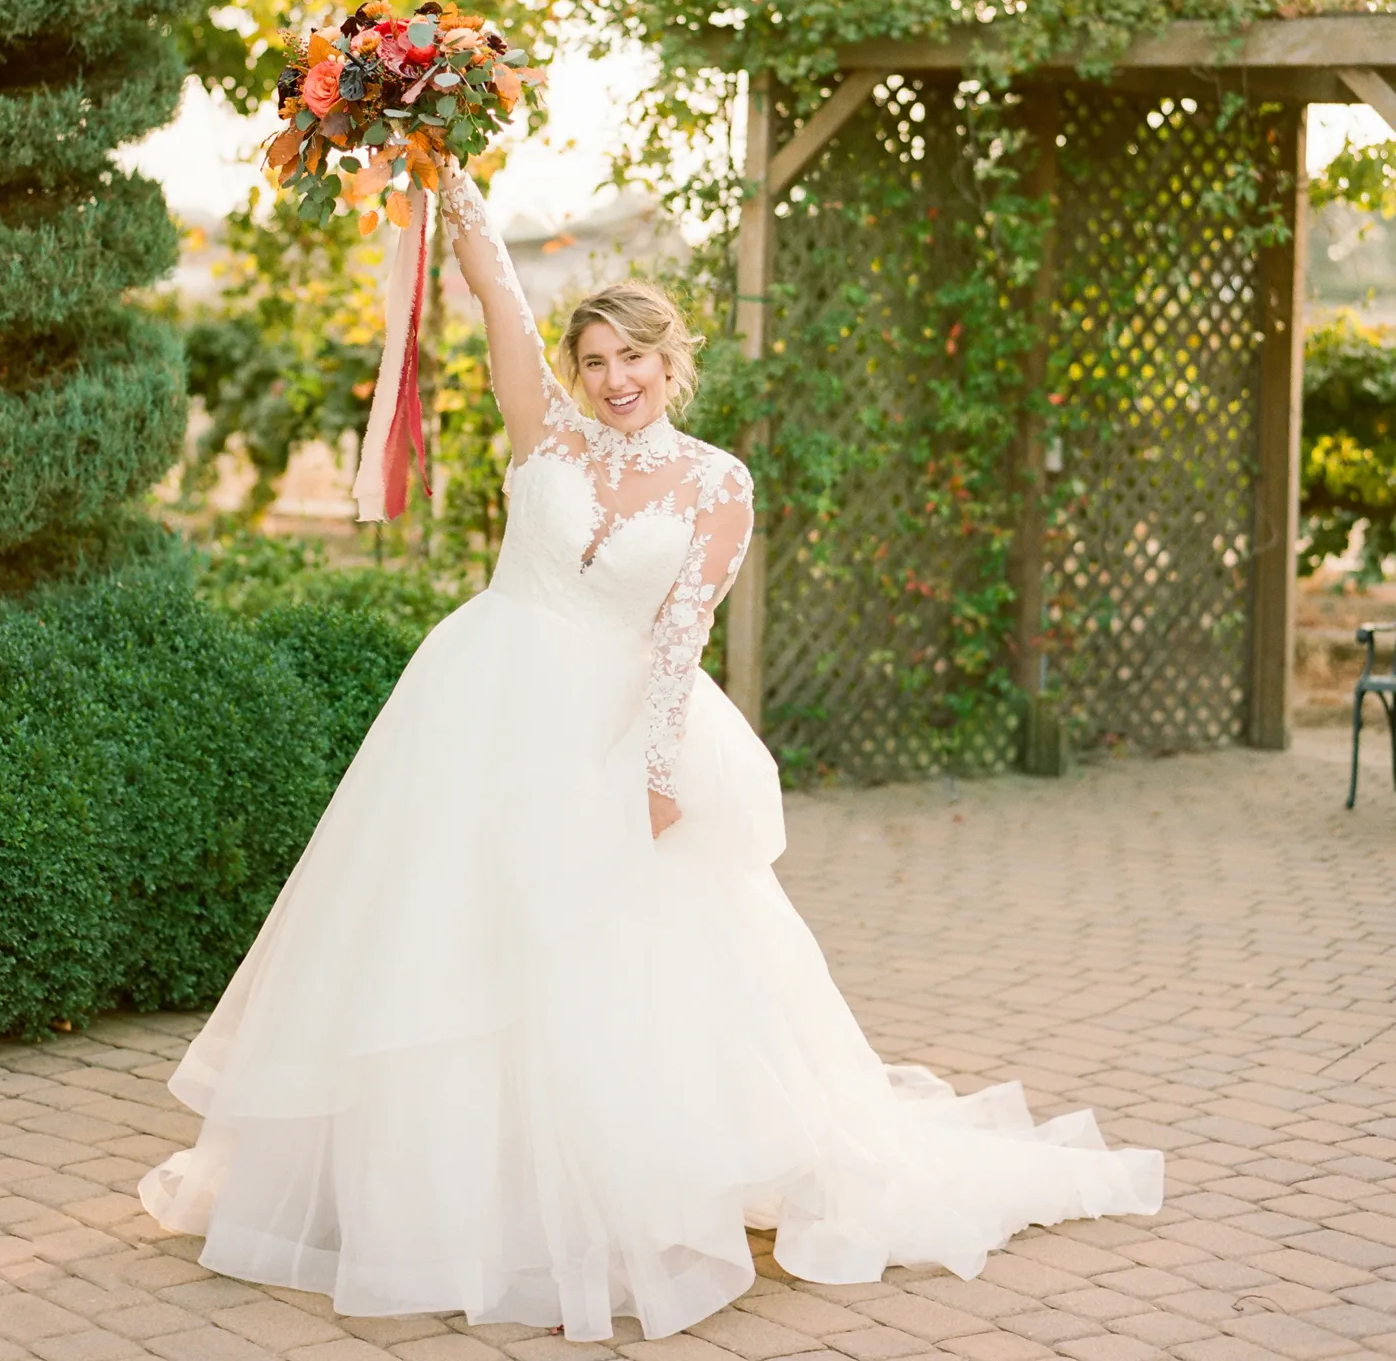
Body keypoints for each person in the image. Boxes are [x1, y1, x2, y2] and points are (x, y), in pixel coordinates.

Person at [140, 162, 1162, 1339]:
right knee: (442, 939)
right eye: (595, 361)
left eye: (633, 358)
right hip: (472, 712)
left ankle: (612, 1190)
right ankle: (429, 1193)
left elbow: (681, 635)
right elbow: (497, 298)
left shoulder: (713, 481)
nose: (613, 379)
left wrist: (659, 771)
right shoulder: (545, 436)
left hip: (608, 729)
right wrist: (445, 164)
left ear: (672, 364)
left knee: (605, 960)